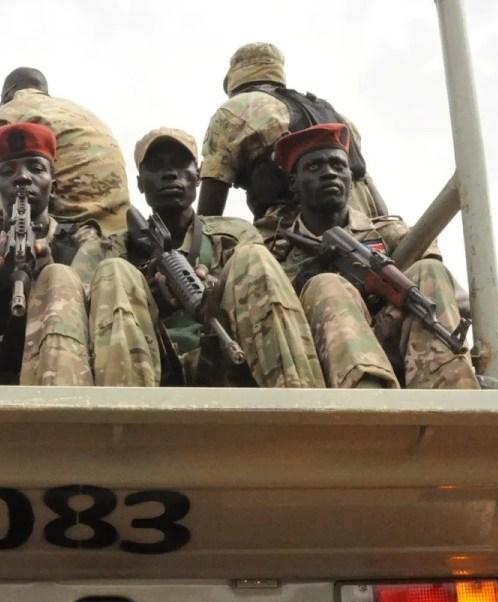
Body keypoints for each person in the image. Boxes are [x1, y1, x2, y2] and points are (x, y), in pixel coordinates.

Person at [0, 122, 160, 386]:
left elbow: (99, 317)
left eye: (35, 168)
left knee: (59, 277)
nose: (22, 178)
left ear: (53, 186)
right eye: (7, 171)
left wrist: (47, 271)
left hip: (68, 363)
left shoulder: (81, 239)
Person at [261, 123, 478, 389]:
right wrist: (302, 282)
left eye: (338, 166)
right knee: (326, 285)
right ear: (294, 183)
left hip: (393, 342)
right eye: (315, 167)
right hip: (316, 360)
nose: (329, 173)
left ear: (351, 179)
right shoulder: (274, 254)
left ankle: (451, 395)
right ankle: (369, 398)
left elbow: (457, 301)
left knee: (429, 270)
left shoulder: (390, 233)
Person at [126, 128, 324, 388]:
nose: (170, 173)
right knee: (115, 273)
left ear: (197, 176)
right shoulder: (112, 247)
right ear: (140, 183)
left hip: (224, 359)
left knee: (253, 258)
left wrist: (216, 292)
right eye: (156, 166)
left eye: (181, 164)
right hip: (151, 368)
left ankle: (302, 405)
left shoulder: (235, 234)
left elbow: (269, 292)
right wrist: (142, 297)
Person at [197, 42, 384, 221]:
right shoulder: (338, 116)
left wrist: (197, 247)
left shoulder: (233, 110)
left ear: (232, 81)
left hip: (293, 235)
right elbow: (367, 185)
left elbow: (212, 198)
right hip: (363, 229)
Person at [0, 67, 131, 237]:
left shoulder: (9, 111)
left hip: (65, 230)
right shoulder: (80, 111)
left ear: (7, 95)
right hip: (117, 226)